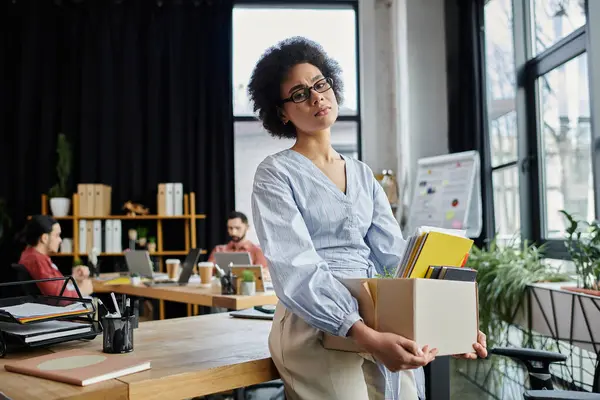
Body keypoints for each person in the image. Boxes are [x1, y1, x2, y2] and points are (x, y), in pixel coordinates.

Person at [249, 36, 487, 400]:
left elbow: (397, 258)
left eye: (320, 84)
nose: (316, 97)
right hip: (314, 323)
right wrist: (364, 334)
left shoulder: (362, 174)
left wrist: (454, 323)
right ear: (281, 112)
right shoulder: (275, 174)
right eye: (299, 94)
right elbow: (296, 269)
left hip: (378, 315)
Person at [17, 215, 93, 297]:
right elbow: (57, 297)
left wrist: (73, 279)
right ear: (44, 238)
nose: (60, 240)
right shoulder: (36, 260)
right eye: (57, 235)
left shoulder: (36, 256)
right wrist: (82, 291)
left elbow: (54, 285)